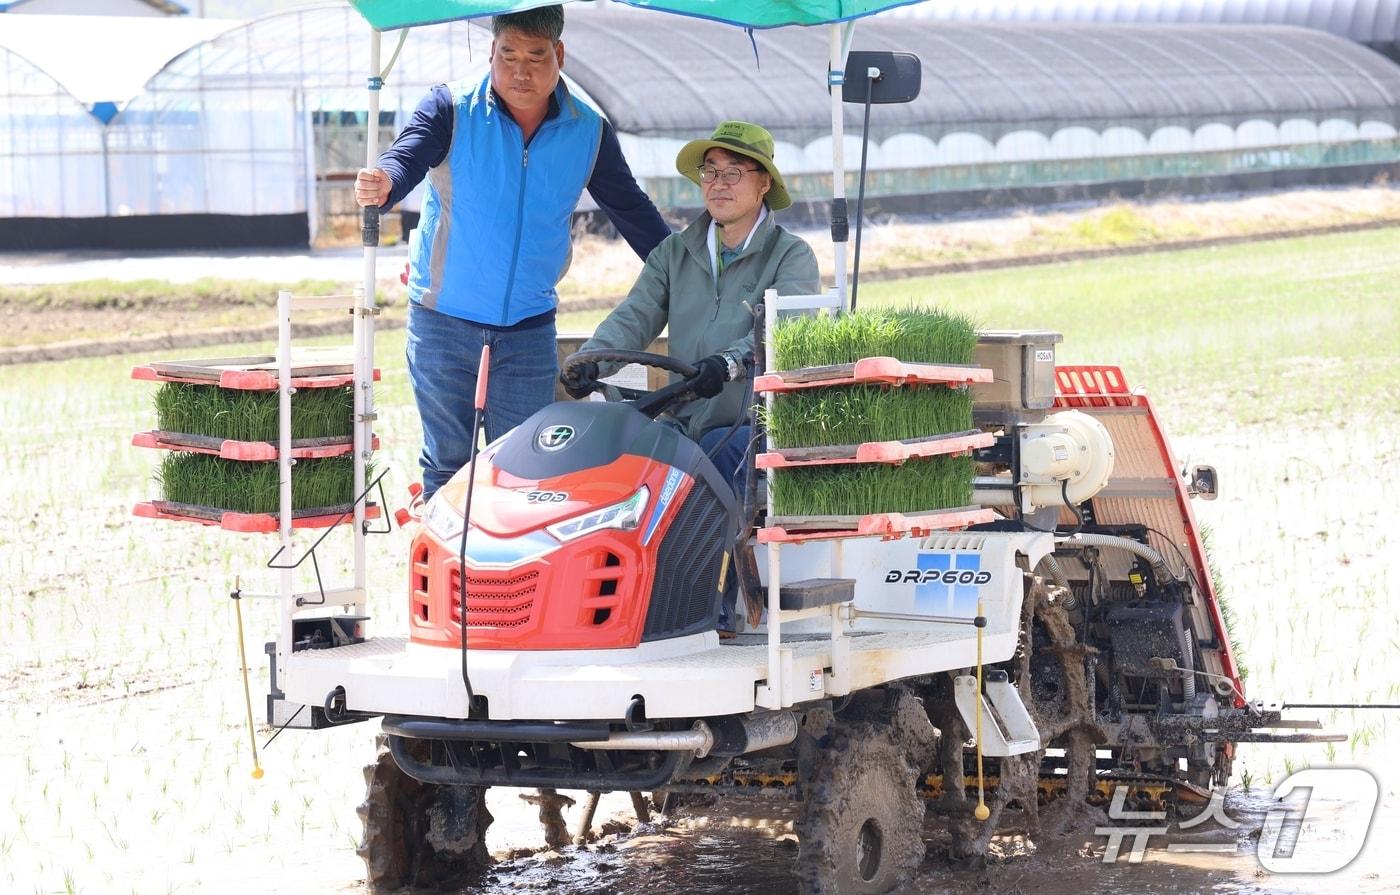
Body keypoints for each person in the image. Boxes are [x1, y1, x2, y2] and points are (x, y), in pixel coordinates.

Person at [355, 5, 670, 501]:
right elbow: (407, 155)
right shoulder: (449, 108)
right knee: (448, 465)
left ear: (559, 55)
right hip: (443, 321)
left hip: (528, 328)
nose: (521, 71)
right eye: (509, 55)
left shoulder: (588, 131)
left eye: (536, 56)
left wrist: (686, 265)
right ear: (491, 52)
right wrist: (386, 181)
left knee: (524, 469)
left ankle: (505, 579)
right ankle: (450, 578)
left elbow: (631, 209)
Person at [560, 120, 821, 632]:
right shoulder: (674, 253)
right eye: (711, 171)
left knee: (714, 467)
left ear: (764, 182)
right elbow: (634, 316)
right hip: (685, 416)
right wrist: (594, 358)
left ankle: (708, 608)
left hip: (756, 423)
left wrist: (728, 364)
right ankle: (608, 602)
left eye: (734, 172)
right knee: (626, 465)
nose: (719, 183)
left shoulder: (790, 255)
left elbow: (787, 332)